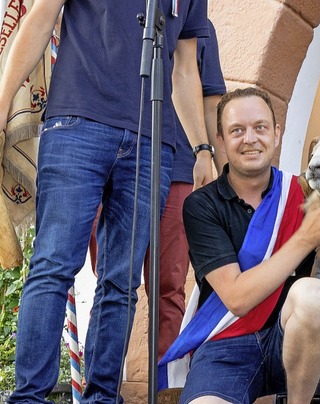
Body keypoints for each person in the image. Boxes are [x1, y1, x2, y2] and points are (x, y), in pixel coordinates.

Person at [0, 1, 213, 402]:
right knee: (53, 265)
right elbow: (42, 17)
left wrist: (202, 148)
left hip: (154, 142)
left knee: (122, 280)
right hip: (77, 124)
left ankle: (102, 397)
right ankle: (29, 397)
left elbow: (184, 68)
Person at [160, 87, 320, 403]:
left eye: (260, 127)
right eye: (237, 130)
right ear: (221, 140)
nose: (250, 138)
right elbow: (236, 298)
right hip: (226, 346)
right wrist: (306, 238)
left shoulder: (306, 190)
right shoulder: (201, 205)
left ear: (276, 134)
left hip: (296, 342)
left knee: (312, 295)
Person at [87, 19, 227, 361]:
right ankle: (102, 390)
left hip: (179, 168)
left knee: (168, 287)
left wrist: (224, 175)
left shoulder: (195, 23)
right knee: (113, 283)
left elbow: (212, 104)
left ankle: (166, 388)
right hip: (114, 168)